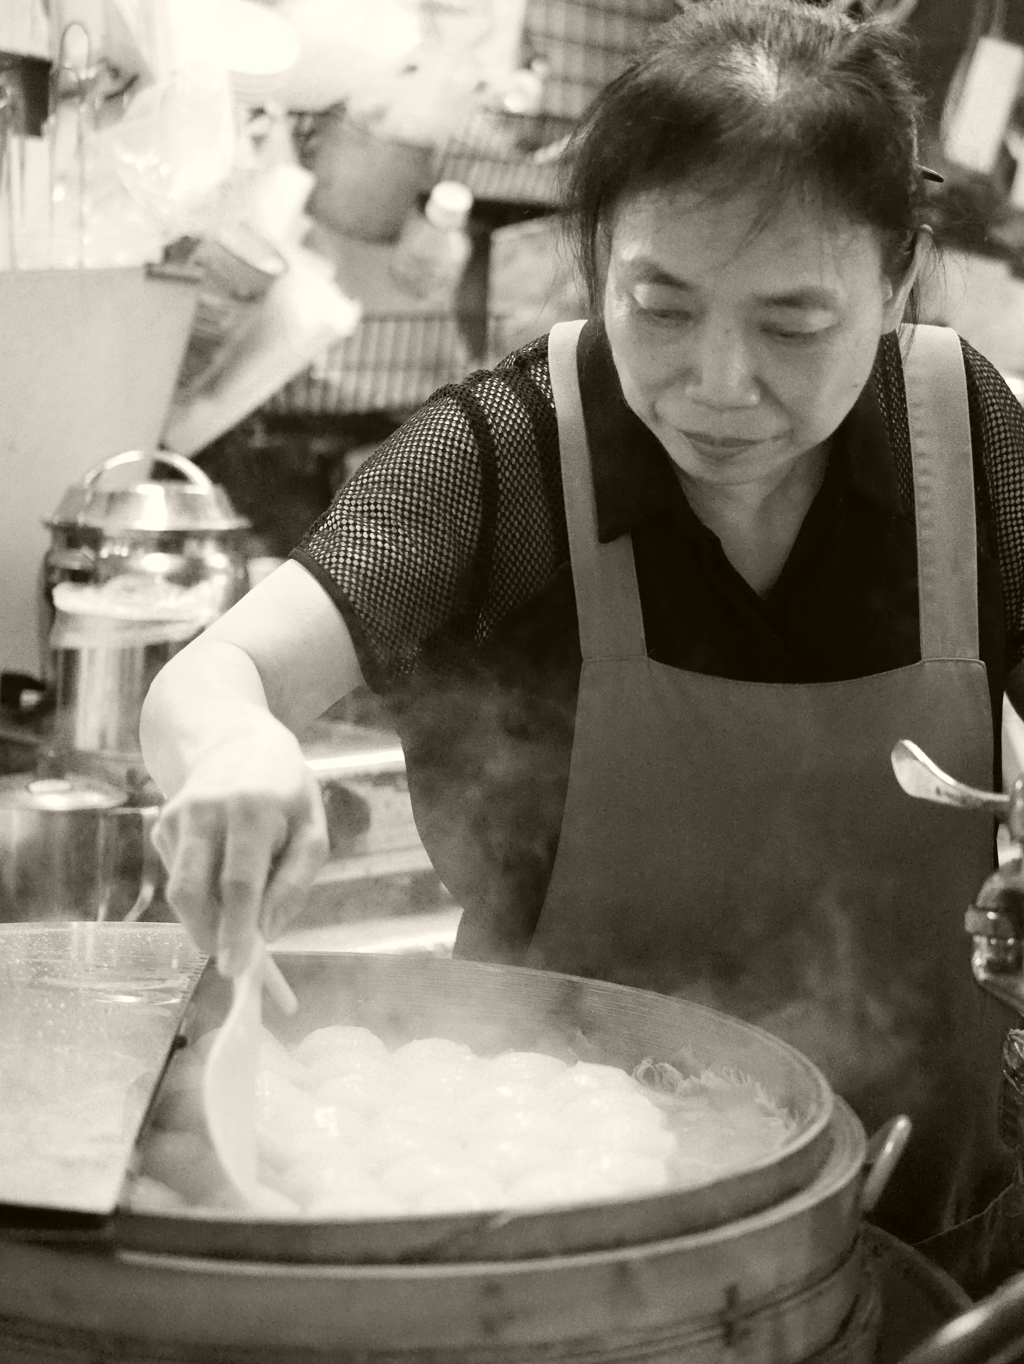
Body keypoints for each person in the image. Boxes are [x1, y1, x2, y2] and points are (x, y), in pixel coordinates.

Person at [142, 0, 1024, 1292]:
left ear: (894, 283)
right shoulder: (502, 458)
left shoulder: (969, 439)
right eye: (660, 307)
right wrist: (228, 751)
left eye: (793, 325)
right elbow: (212, 675)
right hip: (557, 1262)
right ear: (598, 256)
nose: (720, 383)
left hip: (921, 1230)